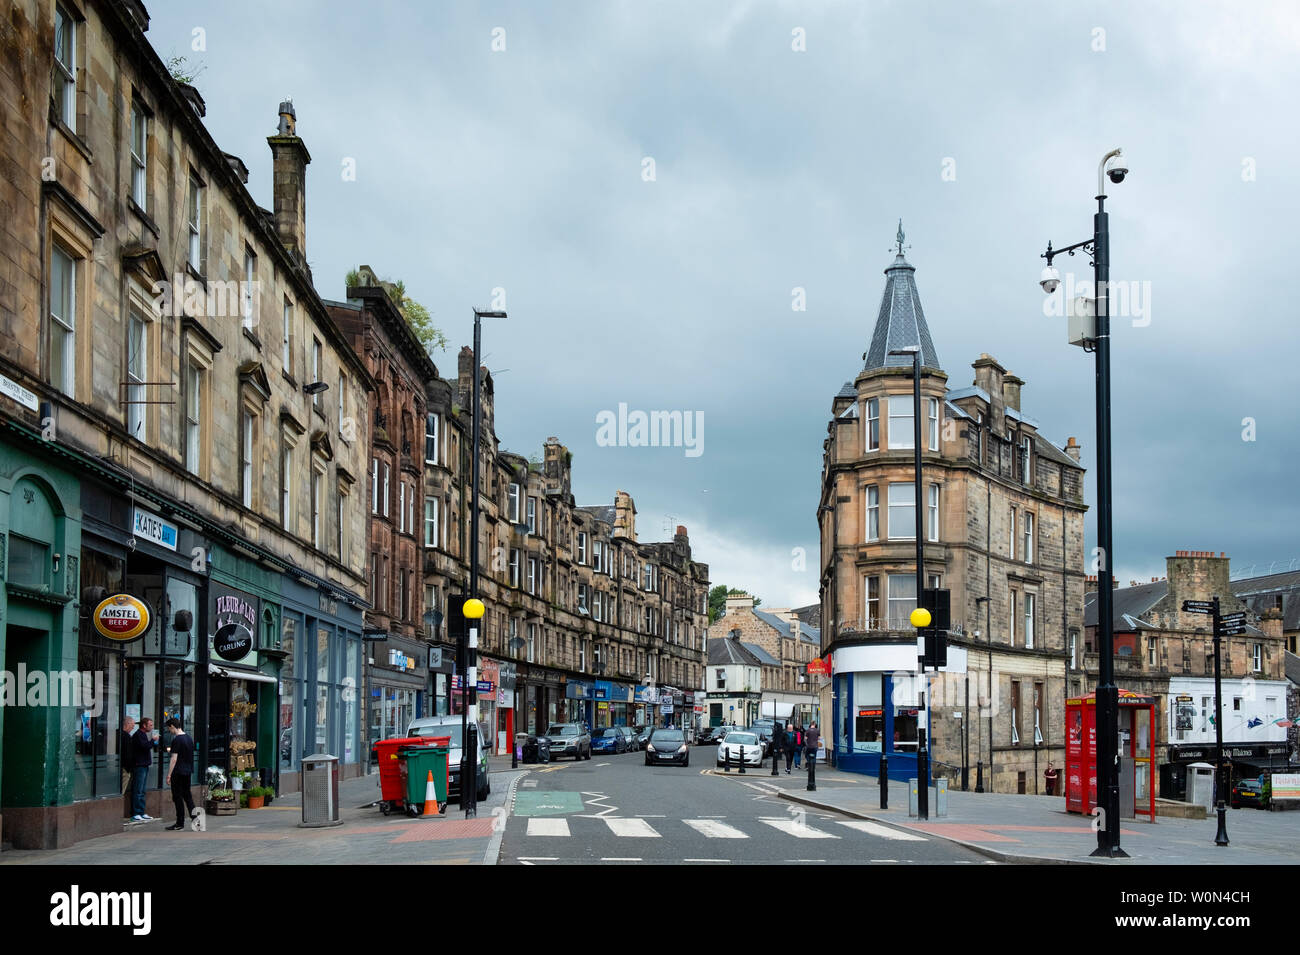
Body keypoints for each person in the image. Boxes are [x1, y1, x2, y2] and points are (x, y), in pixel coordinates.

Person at [163, 717, 198, 831]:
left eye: (169, 728)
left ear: (172, 726)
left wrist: (169, 775)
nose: (169, 731)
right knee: (188, 796)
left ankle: (179, 823)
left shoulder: (177, 740)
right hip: (187, 771)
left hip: (178, 772)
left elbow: (174, 759)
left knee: (177, 797)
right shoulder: (188, 738)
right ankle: (196, 821)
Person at [129, 717, 159, 821]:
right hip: (139, 765)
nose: (152, 727)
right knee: (138, 789)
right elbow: (144, 746)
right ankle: (136, 812)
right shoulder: (138, 735)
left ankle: (141, 812)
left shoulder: (142, 735)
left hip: (144, 764)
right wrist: (153, 741)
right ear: (144, 725)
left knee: (142, 790)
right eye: (150, 725)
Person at [120, 716, 136, 797]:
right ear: (127, 724)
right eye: (132, 726)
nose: (132, 728)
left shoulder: (118, 734)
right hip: (125, 767)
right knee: (123, 786)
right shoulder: (126, 736)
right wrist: (129, 768)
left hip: (119, 765)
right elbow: (128, 754)